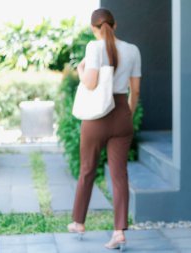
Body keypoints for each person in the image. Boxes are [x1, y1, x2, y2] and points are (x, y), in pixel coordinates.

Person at [67, 8, 141, 251]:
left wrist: (80, 69)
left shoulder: (94, 48)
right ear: (115, 24)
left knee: (87, 169)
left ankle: (78, 222)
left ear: (93, 28)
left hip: (96, 117)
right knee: (119, 176)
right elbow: (135, 91)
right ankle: (119, 231)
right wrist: (127, 113)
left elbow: (90, 83)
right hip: (121, 113)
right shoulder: (132, 50)